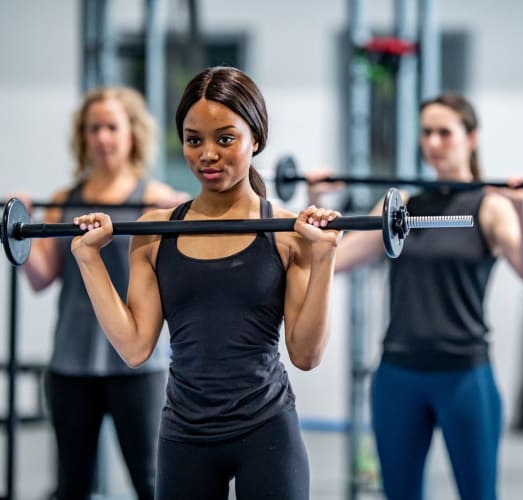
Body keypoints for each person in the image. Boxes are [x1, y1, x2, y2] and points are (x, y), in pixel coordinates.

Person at [70, 66, 342, 500]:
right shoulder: (155, 230)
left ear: (257, 138)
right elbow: (136, 347)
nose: (208, 154)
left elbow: (306, 355)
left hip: (266, 432)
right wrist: (89, 259)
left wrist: (325, 255)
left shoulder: (288, 233)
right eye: (194, 139)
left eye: (225, 138)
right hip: (185, 436)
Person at [308, 93, 523, 500]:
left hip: (464, 375)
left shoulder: (490, 208)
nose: (434, 143)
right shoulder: (400, 207)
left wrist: (522, 211)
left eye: (445, 133)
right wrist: (316, 203)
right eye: (426, 133)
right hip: (399, 373)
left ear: (471, 139)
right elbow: (332, 260)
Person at [15, 86, 188, 500]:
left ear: (131, 133)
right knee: (73, 486)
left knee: (151, 482)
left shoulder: (158, 201)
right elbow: (41, 279)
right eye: (94, 128)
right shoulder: (63, 201)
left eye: (112, 126)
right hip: (70, 364)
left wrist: (186, 217)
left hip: (136, 367)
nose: (103, 137)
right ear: (83, 136)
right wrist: (16, 227)